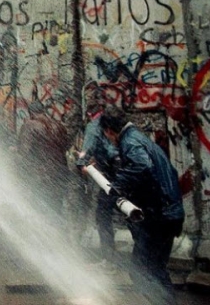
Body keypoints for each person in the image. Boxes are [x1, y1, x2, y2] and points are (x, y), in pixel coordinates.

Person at [100, 105, 184, 305]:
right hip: (170, 213)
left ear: (109, 131)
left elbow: (141, 166)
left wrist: (116, 186)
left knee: (141, 270)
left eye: (106, 135)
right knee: (155, 269)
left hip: (160, 216)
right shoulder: (138, 138)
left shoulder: (130, 142)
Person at [76, 95, 120, 263]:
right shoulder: (113, 122)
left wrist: (82, 165)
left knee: (102, 215)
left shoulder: (93, 126)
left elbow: (85, 153)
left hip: (109, 174)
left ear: (89, 113)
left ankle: (108, 259)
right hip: (126, 171)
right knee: (129, 213)